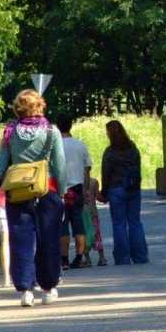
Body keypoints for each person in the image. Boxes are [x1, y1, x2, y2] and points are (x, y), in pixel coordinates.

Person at [0, 89, 67, 307]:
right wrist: (62, 191)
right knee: (49, 240)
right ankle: (48, 288)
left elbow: (2, 163)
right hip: (46, 190)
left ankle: (25, 291)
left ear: (18, 108)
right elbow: (59, 165)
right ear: (40, 105)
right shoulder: (52, 131)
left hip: (18, 192)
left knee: (21, 241)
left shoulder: (10, 132)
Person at [101, 120, 148, 265]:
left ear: (110, 134)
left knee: (119, 224)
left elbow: (106, 173)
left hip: (116, 189)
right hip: (133, 188)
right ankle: (140, 256)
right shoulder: (133, 149)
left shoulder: (110, 152)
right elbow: (139, 169)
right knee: (135, 222)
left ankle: (122, 258)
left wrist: (104, 192)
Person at [56, 114, 92, 270]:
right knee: (78, 223)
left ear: (58, 127)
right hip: (77, 187)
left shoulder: (55, 146)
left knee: (63, 224)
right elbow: (87, 169)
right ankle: (78, 257)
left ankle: (64, 259)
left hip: (60, 188)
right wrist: (86, 189)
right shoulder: (80, 145)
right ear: (71, 126)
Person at [82, 177, 107, 267]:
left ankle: (87, 259)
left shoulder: (76, 184)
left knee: (83, 236)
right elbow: (98, 196)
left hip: (82, 214)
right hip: (93, 213)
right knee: (97, 235)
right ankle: (102, 257)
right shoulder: (93, 182)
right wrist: (105, 199)